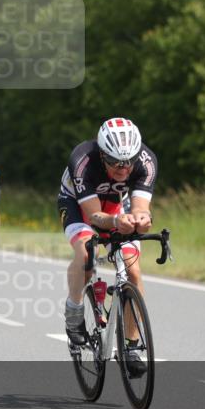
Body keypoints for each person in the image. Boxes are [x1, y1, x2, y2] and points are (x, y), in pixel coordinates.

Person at [58, 118, 157, 376]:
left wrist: (140, 220)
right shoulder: (83, 160)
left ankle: (132, 346)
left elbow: (139, 207)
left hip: (116, 203)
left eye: (129, 162)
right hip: (79, 206)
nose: (123, 169)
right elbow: (94, 217)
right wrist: (115, 221)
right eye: (115, 162)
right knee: (87, 254)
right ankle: (74, 311)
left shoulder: (145, 161)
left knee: (133, 270)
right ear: (102, 155)